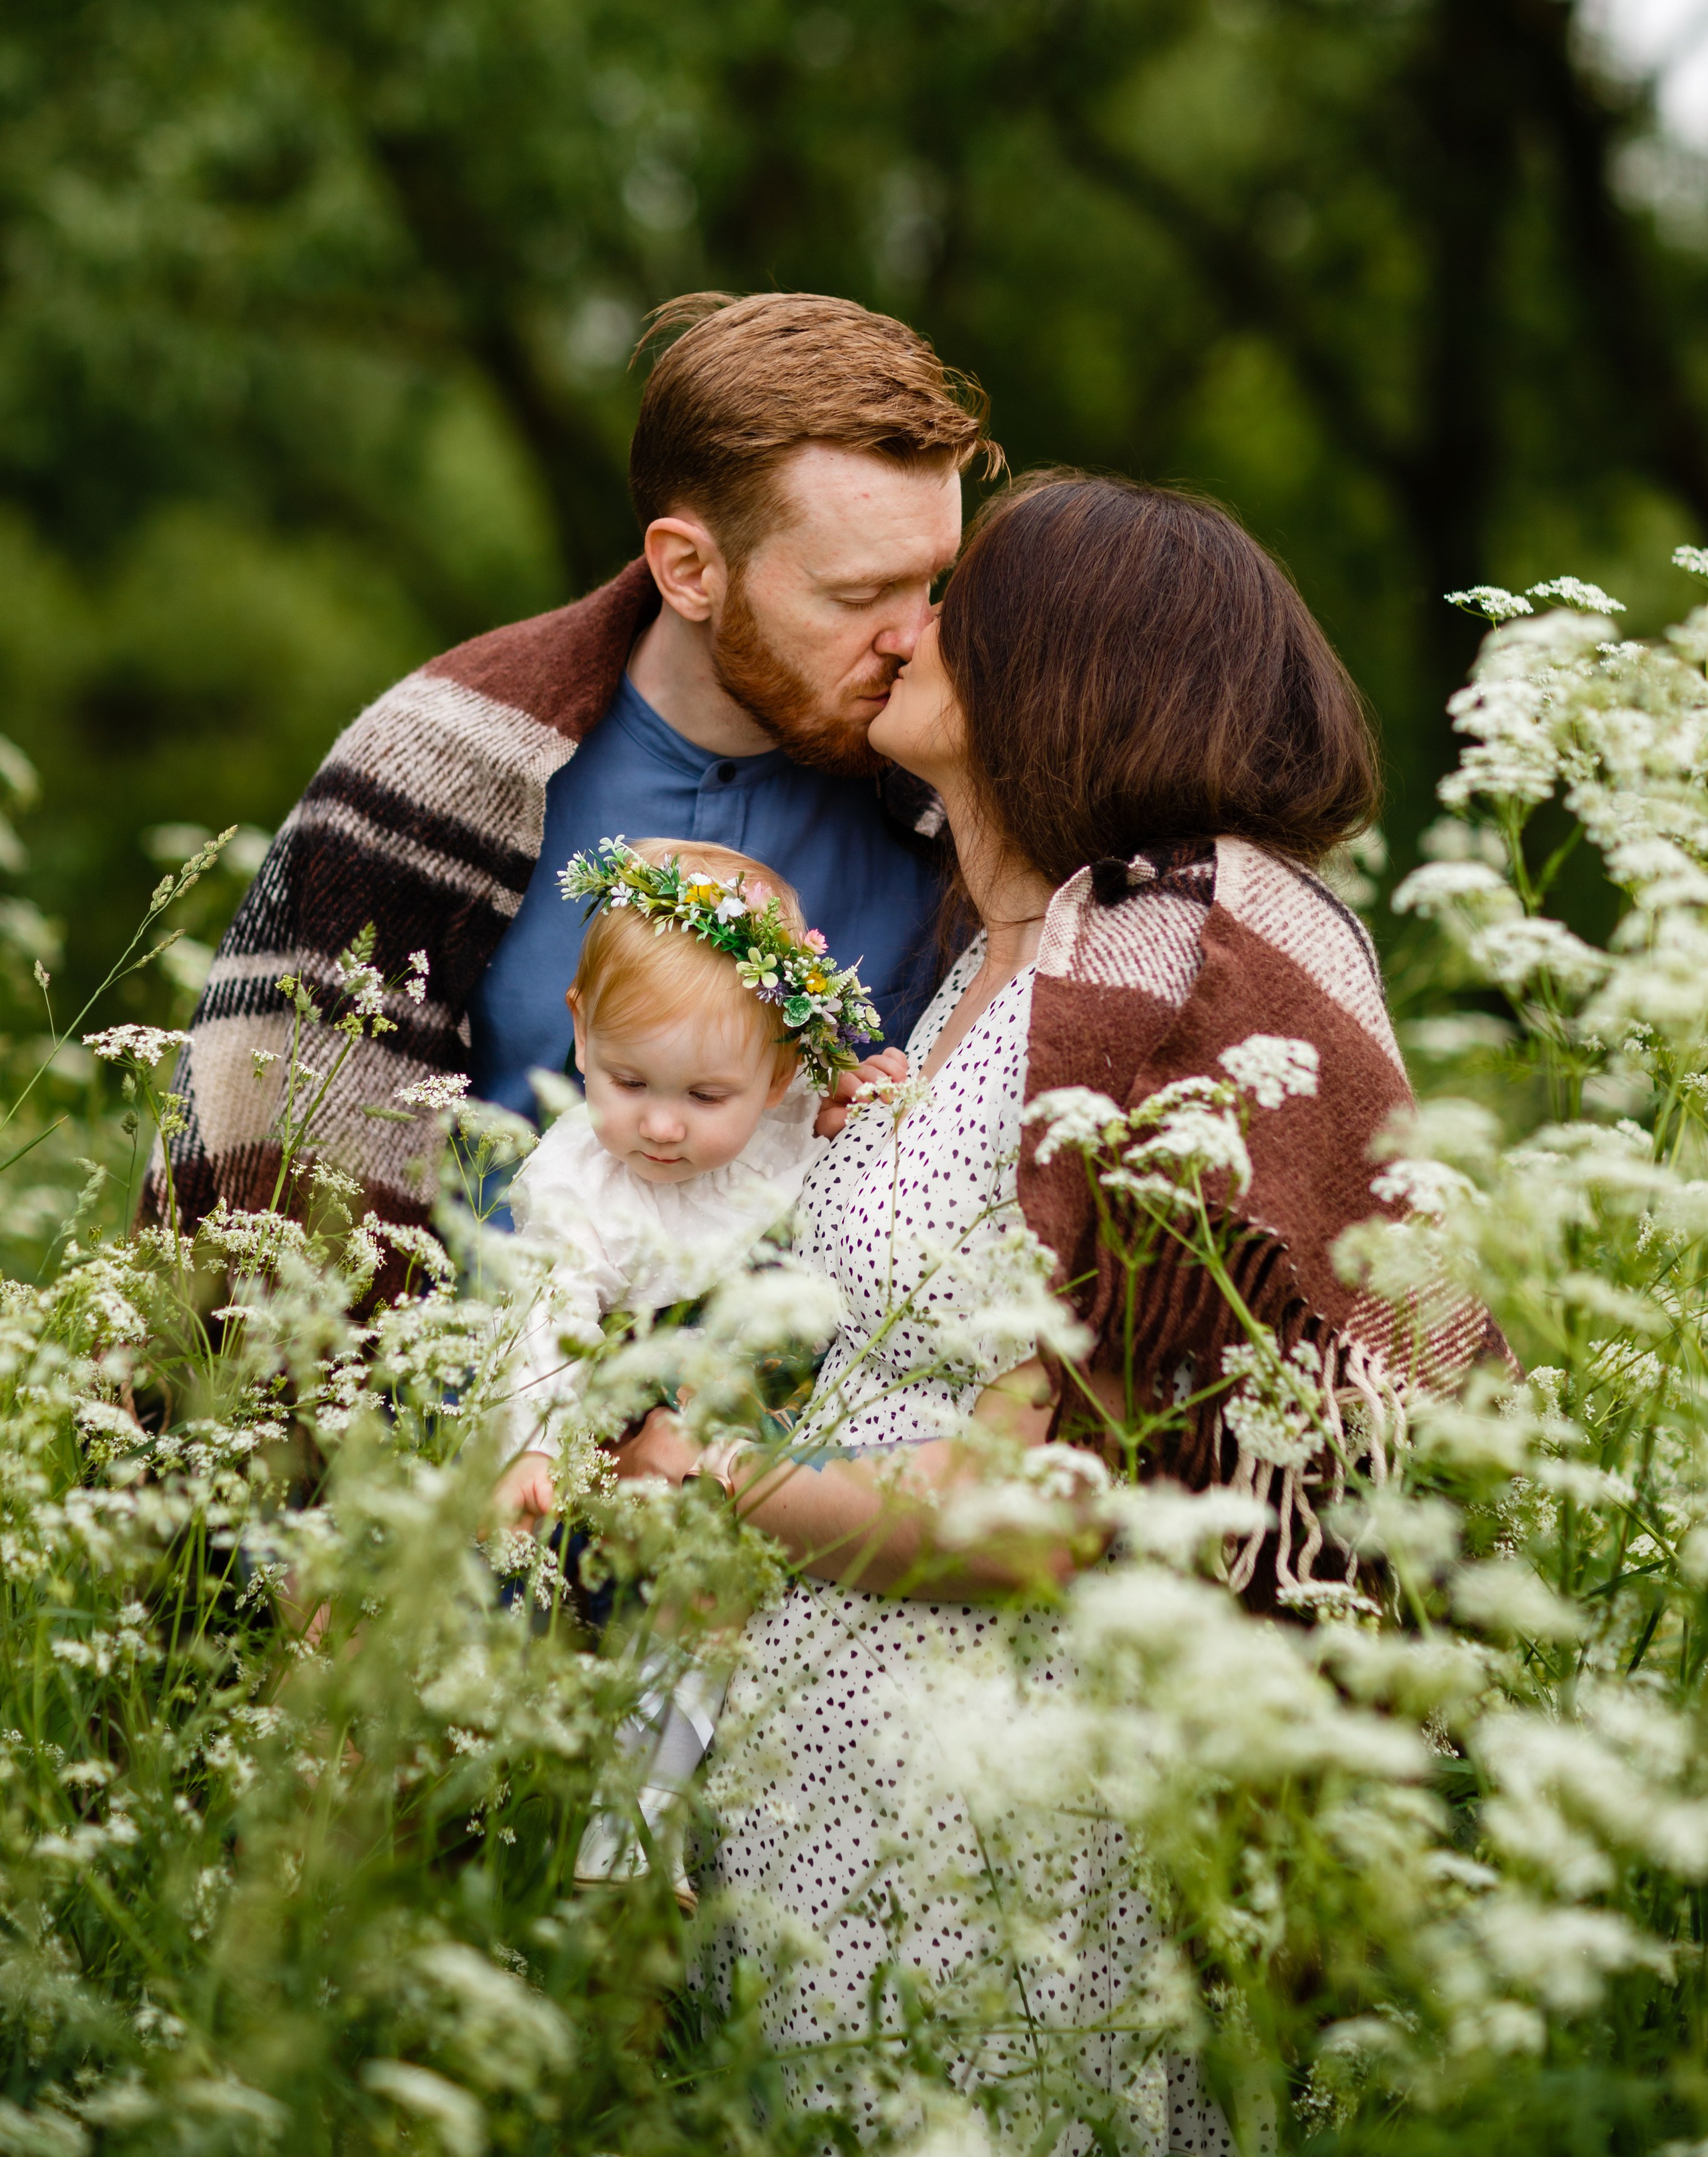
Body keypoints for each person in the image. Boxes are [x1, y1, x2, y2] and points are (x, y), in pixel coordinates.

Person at [618, 475, 1507, 2148]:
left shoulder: (1172, 967)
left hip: (1009, 1792)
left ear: (1069, 662)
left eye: (963, 602)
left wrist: (694, 1478)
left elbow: (1033, 1515)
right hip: (825, 1756)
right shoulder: (988, 965)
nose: (909, 628)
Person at [146, 293, 1000, 1249]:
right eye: (858, 594)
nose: (914, 636)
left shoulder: (971, 802)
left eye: (932, 579)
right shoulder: (435, 770)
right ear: (689, 571)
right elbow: (260, 1181)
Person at [485, 834, 900, 1909]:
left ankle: (653, 1824)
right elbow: (546, 1317)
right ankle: (614, 1835)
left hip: (767, 1399)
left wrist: (867, 1091)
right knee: (666, 1601)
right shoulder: (581, 1180)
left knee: (718, 1615)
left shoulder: (791, 1119)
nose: (661, 1126)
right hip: (627, 1399)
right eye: (627, 1081)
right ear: (578, 1030)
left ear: (778, 1074)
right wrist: (533, 1448)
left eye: (706, 1097)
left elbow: (854, 1129)